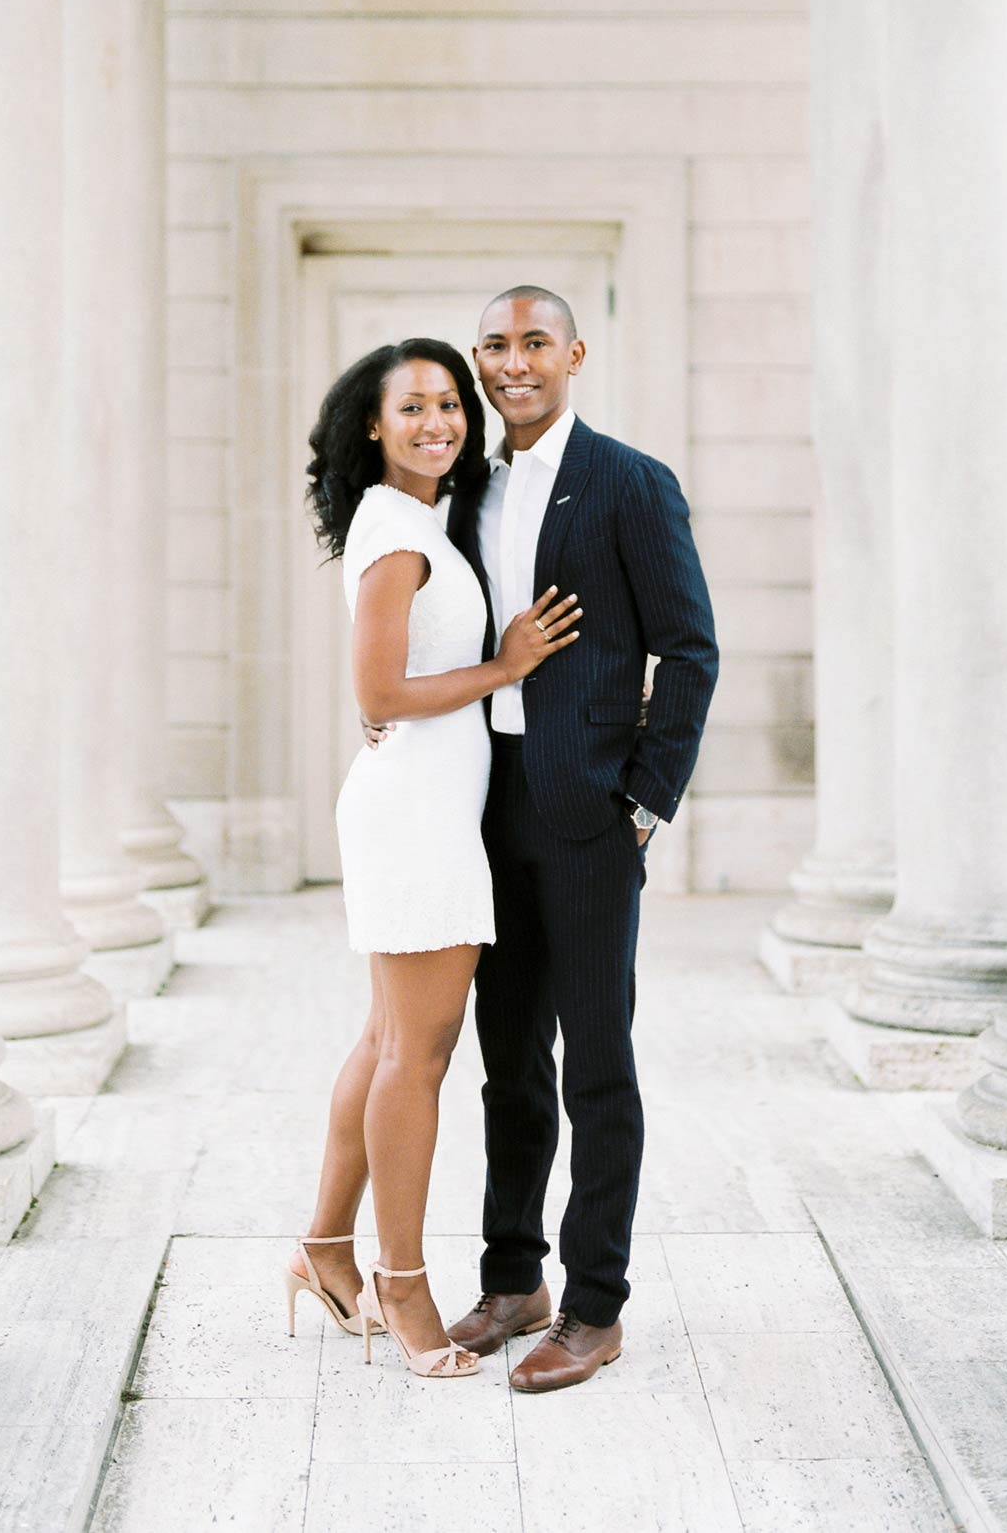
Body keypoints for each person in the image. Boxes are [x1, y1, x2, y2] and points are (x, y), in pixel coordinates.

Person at [285, 336, 582, 1379]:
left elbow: (399, 686)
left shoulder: (413, 521)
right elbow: (377, 695)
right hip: (414, 812)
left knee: (386, 1040)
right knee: (419, 1056)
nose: (437, 422)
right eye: (410, 407)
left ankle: (325, 1250)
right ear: (372, 426)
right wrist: (504, 664)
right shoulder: (398, 534)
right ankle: (400, 1285)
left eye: (449, 404)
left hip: (423, 803)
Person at [446, 286, 719, 1391]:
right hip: (482, 803)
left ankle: (595, 1305)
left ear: (574, 353)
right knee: (506, 1062)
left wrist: (644, 801)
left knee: (596, 1064)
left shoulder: (629, 481)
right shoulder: (468, 486)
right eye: (497, 346)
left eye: (534, 344)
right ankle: (514, 1276)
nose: (515, 364)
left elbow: (689, 651)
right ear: (481, 357)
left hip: (592, 810)